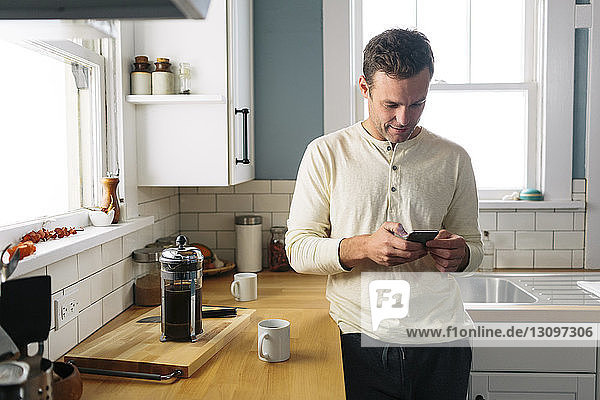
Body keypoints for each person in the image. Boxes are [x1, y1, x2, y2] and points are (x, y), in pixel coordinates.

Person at [285, 28, 483, 400]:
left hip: (444, 339)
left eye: (417, 103)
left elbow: (473, 247)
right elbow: (298, 249)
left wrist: (462, 254)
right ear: (364, 87)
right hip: (359, 341)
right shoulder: (325, 153)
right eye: (391, 105)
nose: (404, 118)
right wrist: (362, 247)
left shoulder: (454, 159)